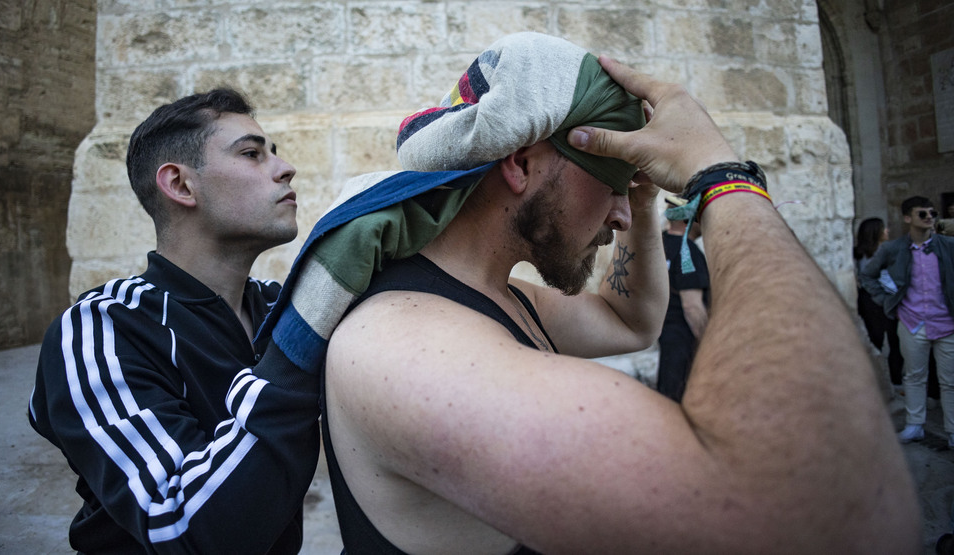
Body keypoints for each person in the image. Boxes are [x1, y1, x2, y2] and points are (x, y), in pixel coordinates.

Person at [256, 32, 919, 553]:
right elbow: (822, 525)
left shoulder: (492, 296)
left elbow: (628, 319)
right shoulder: (406, 346)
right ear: (519, 163)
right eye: (610, 184)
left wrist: (638, 187)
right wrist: (725, 183)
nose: (624, 218)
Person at [29, 89, 321, 553]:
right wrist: (302, 342)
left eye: (275, 152)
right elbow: (182, 525)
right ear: (181, 185)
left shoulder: (277, 309)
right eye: (251, 153)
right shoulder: (104, 326)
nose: (285, 168)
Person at [860, 196, 954, 448]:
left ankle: (953, 430)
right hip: (912, 322)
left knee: (950, 380)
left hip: (947, 324)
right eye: (922, 213)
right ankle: (915, 426)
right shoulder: (893, 248)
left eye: (932, 213)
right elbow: (867, 276)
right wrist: (888, 302)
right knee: (914, 376)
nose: (929, 217)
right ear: (907, 217)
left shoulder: (947, 245)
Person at [656, 194, 709, 401]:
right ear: (688, 219)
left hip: (664, 333)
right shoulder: (689, 252)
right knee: (679, 398)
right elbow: (692, 307)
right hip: (684, 339)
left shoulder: (659, 244)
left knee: (667, 393)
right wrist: (708, 346)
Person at [854, 217, 903, 386]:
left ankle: (894, 380)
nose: (887, 231)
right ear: (876, 232)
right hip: (875, 299)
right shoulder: (863, 253)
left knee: (894, 341)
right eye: (884, 228)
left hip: (880, 298)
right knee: (878, 340)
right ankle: (879, 381)